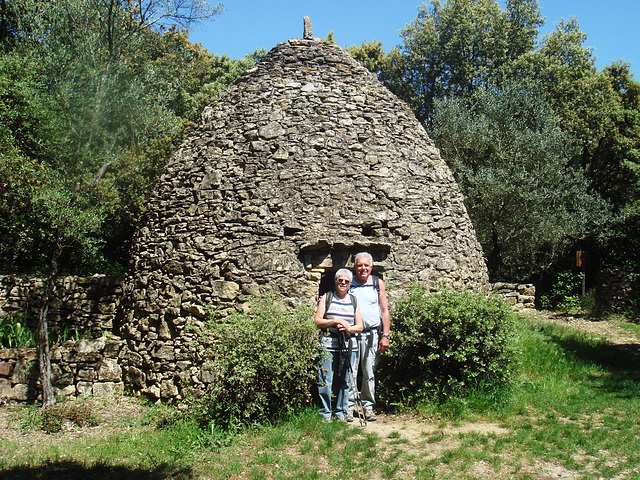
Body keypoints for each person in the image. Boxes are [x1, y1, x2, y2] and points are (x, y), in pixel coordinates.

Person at [314, 268, 363, 422]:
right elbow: (317, 321)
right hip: (328, 344)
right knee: (325, 379)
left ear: (350, 284)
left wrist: (348, 328)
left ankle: (341, 413)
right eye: (340, 280)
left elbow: (360, 326)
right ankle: (325, 413)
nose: (343, 283)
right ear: (335, 282)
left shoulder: (354, 301)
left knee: (345, 380)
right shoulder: (327, 298)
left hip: (348, 345)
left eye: (346, 281)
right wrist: (335, 321)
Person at [347, 252, 391, 422]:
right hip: (352, 334)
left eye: (366, 265)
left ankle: (367, 406)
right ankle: (349, 406)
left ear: (371, 267)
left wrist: (385, 335)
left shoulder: (376, 283)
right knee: (350, 370)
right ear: (354, 267)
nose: (363, 268)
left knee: (368, 371)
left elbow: (384, 310)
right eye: (359, 265)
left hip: (372, 334)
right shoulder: (348, 282)